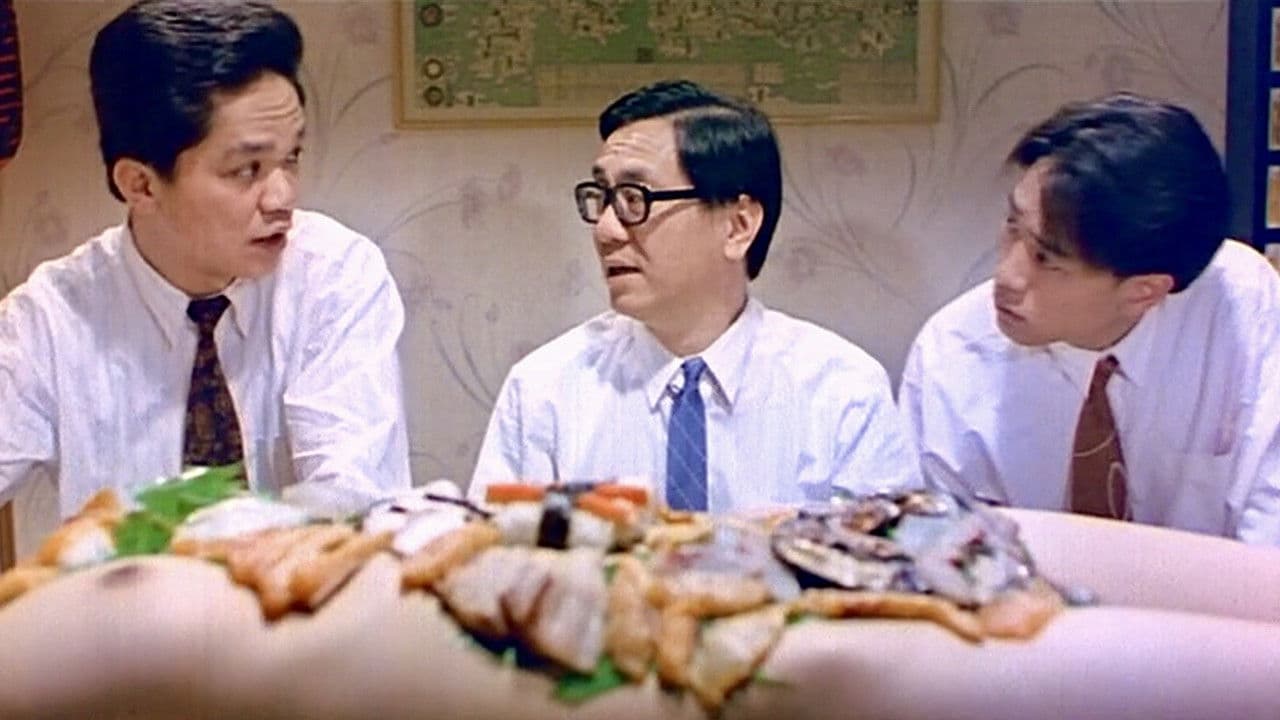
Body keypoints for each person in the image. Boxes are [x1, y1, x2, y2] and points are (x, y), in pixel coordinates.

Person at [0, 0, 411, 519]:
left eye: (291, 158)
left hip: (304, 570)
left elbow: (357, 500)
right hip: (123, 575)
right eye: (246, 170)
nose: (282, 197)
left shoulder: (335, 276)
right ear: (140, 184)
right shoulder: (49, 319)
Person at [470, 79, 920, 512]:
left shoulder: (842, 390)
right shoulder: (544, 390)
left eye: (634, 197)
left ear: (738, 226)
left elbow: (891, 556)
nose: (606, 230)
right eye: (603, 197)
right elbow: (488, 555)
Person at [900, 92, 1280, 543]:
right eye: (1012, 225)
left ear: (1144, 291)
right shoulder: (951, 354)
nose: (1007, 277)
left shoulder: (1240, 305)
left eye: (1046, 259)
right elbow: (937, 556)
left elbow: (1270, 532)